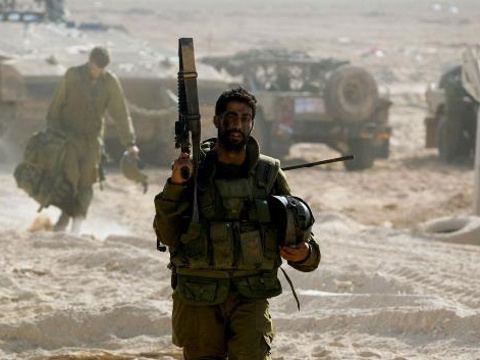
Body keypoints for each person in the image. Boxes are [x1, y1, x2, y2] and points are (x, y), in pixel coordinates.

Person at [154, 87, 321, 359]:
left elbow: (300, 234)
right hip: (198, 293)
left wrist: (304, 253)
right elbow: (166, 232)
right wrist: (175, 185)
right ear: (217, 120)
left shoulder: (268, 174)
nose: (238, 124)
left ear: (253, 123)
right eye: (231, 117)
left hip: (250, 293)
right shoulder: (192, 172)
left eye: (245, 118)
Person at [47, 46, 139, 233]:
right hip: (69, 138)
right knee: (70, 180)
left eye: (101, 68)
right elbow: (56, 105)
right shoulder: (73, 75)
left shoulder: (110, 82)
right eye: (95, 67)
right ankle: (63, 220)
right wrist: (53, 132)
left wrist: (130, 143)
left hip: (93, 141)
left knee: (87, 183)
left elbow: (121, 114)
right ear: (89, 61)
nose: (97, 71)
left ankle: (77, 224)